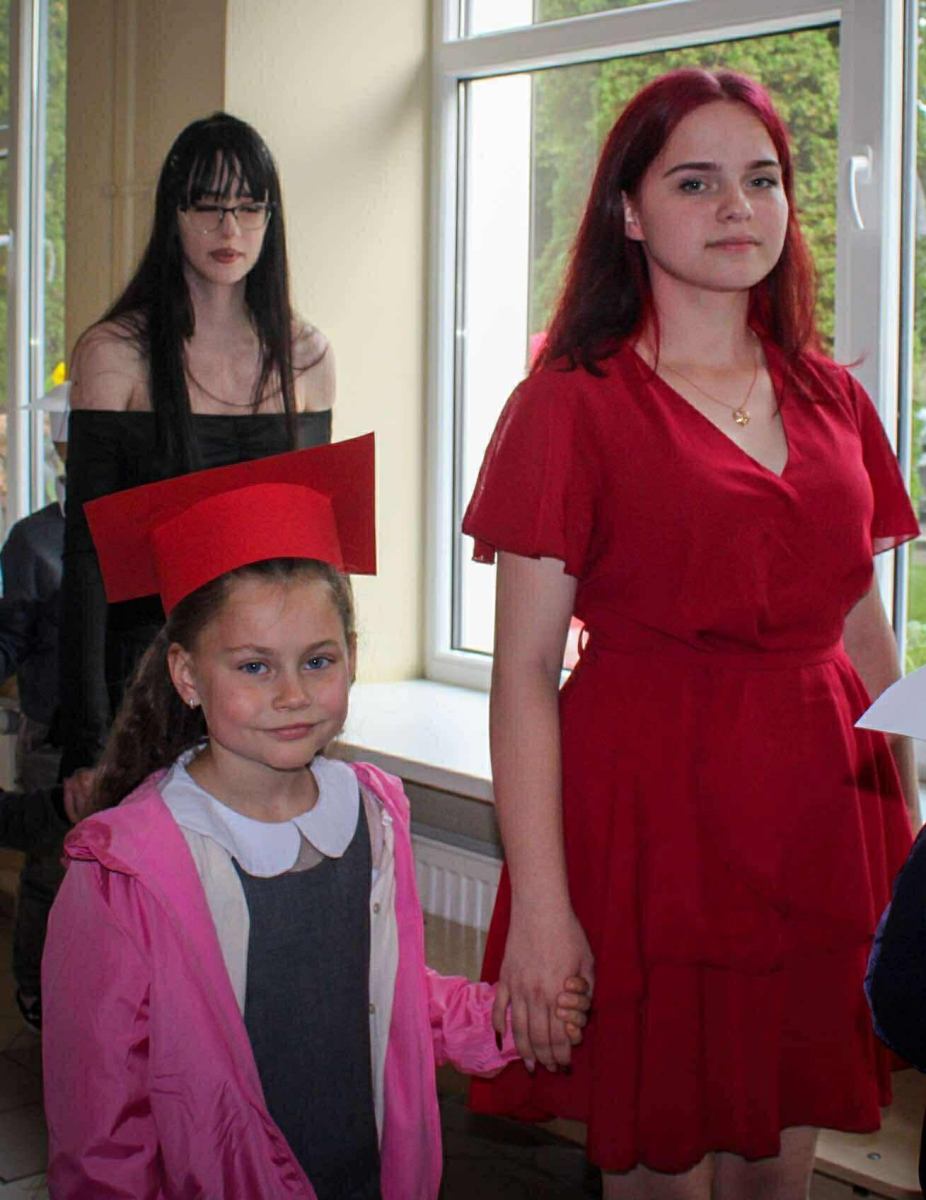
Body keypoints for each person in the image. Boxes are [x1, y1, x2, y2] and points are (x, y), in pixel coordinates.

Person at [462, 68, 920, 1199]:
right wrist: (543, 911)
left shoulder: (832, 396)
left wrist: (905, 833)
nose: (736, 208)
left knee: (781, 1147)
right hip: (648, 817)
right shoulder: (570, 403)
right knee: (659, 1160)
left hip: (822, 814)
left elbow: (859, 622)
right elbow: (523, 674)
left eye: (760, 180)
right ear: (627, 211)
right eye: (695, 181)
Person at [41, 436, 590, 1199]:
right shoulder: (125, 870)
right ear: (187, 675)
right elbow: (102, 1125)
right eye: (254, 666)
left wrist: (504, 1018)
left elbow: (386, 996)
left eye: (318, 661)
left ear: (353, 657)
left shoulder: (372, 814)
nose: (293, 694)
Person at [59, 111, 335, 778]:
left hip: (264, 691)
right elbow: (87, 560)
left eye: (248, 208)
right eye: (208, 207)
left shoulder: (305, 356)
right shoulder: (113, 355)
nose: (229, 230)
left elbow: (315, 562)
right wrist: (87, 742)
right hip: (141, 685)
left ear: (270, 218)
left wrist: (325, 680)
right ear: (173, 215)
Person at [0, 380, 69, 1027]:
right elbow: (10, 637)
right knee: (50, 870)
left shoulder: (135, 528)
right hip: (52, 735)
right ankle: (35, 988)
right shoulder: (33, 540)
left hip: (132, 736)